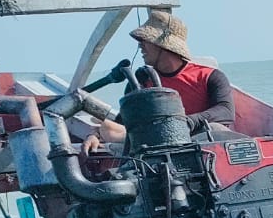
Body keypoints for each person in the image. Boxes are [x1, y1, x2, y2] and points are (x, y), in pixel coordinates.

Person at [94, 10, 234, 146]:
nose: (140, 45)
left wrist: (187, 122)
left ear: (164, 45)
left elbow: (225, 111)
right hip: (157, 148)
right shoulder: (141, 80)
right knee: (109, 129)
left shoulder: (209, 76)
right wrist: (95, 135)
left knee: (217, 128)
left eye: (145, 40)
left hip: (200, 145)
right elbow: (124, 122)